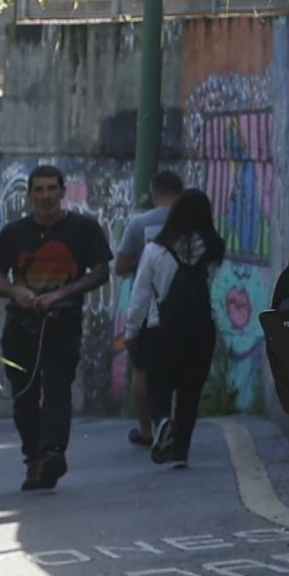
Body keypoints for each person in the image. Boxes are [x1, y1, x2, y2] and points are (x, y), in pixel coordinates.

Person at [0, 165, 115, 492]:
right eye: (39, 190)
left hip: (63, 323)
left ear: (62, 192)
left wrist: (62, 294)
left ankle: (53, 452)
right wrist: (19, 292)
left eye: (51, 189)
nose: (45, 196)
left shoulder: (83, 229)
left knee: (58, 389)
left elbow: (101, 272)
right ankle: (34, 458)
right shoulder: (14, 234)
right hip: (21, 325)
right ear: (30, 195)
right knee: (24, 397)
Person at [126, 173, 227, 465]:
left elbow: (140, 295)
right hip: (200, 328)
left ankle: (160, 422)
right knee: (189, 391)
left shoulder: (155, 250)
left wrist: (131, 331)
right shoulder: (213, 249)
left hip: (162, 329)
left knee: (158, 386)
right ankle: (181, 451)